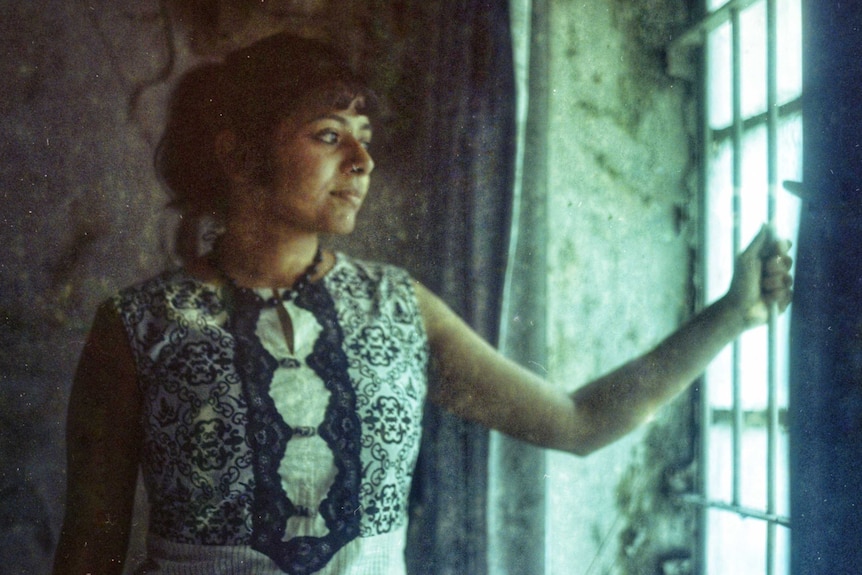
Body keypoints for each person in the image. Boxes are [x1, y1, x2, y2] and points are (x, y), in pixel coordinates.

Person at [51, 33, 793, 575]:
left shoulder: (399, 309)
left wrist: (730, 314)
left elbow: (579, 421)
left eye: (365, 139)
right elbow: (86, 554)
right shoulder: (138, 327)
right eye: (329, 135)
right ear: (239, 154)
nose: (363, 162)